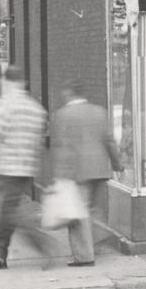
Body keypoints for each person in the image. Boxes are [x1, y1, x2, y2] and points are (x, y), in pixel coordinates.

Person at [0, 69, 59, 269]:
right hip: (28, 167)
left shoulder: (5, 105)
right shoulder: (35, 108)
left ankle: (43, 244)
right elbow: (41, 136)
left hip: (8, 166)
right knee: (8, 209)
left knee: (10, 213)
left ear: (7, 81)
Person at [47, 82, 122, 267]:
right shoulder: (99, 111)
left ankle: (84, 256)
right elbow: (109, 140)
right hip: (99, 169)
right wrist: (117, 164)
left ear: (68, 93)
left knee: (77, 213)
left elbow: (60, 145)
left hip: (77, 170)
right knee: (92, 209)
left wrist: (59, 173)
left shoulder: (62, 115)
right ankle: (98, 237)